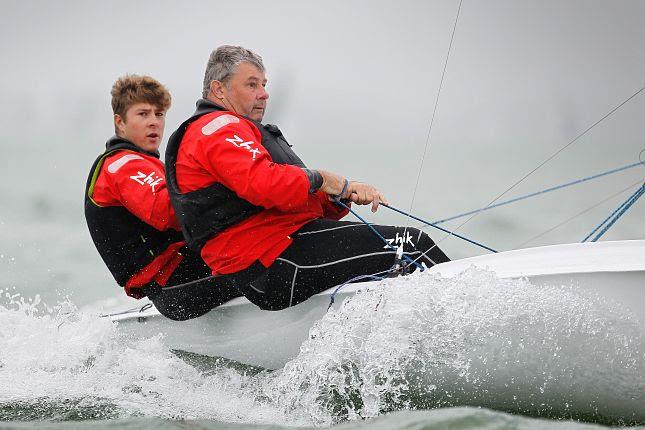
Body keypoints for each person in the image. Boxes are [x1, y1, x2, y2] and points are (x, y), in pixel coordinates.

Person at [165, 45, 450, 311]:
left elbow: (286, 198)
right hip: (270, 263)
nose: (264, 94)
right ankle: (466, 329)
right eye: (252, 84)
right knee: (412, 246)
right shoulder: (217, 127)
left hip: (275, 252)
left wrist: (339, 196)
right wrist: (324, 179)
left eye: (264, 85)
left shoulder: (232, 130)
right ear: (219, 89)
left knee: (390, 263)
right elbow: (265, 185)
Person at [84, 74, 240, 320]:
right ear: (120, 122)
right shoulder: (122, 165)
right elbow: (168, 211)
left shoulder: (149, 164)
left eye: (159, 114)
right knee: (264, 264)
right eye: (143, 114)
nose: (154, 122)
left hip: (186, 273)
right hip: (173, 286)